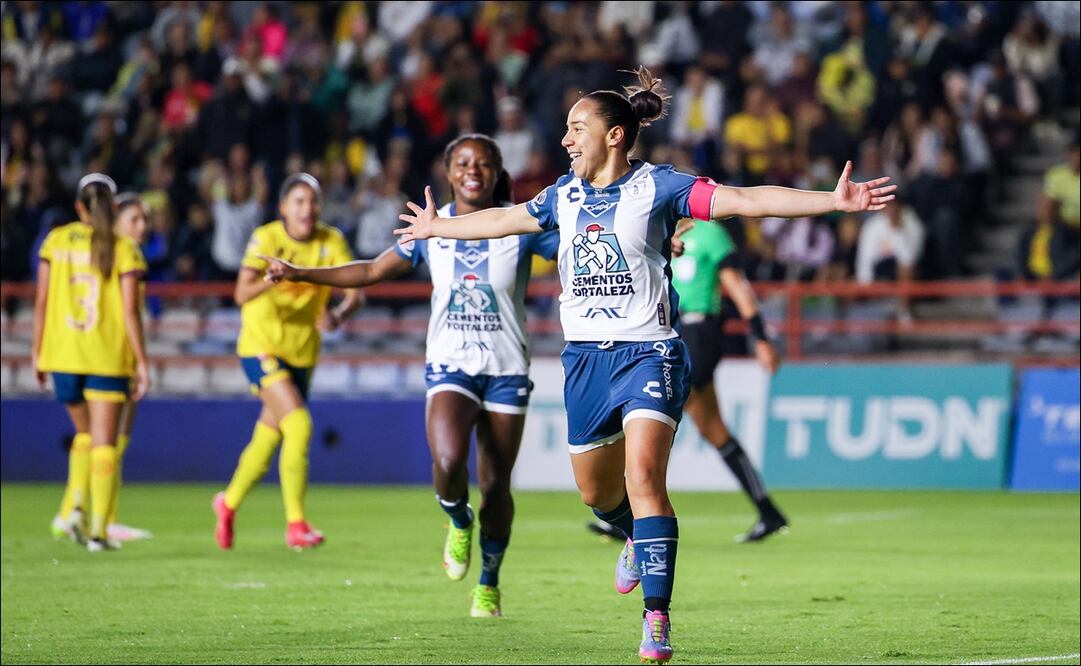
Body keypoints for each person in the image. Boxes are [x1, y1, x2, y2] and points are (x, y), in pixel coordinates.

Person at [392, 66, 894, 663]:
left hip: (649, 352)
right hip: (583, 363)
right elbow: (504, 218)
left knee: (644, 479)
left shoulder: (660, 187)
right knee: (596, 494)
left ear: (614, 134)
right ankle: (632, 534)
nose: (566, 139)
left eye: (577, 128)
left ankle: (656, 622)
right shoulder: (563, 196)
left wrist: (831, 202)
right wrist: (437, 227)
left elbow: (745, 200)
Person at [262, 135, 559, 618]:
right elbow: (373, 269)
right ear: (448, 172)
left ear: (496, 171)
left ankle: (488, 583)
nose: (473, 170)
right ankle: (458, 520)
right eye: (462, 162)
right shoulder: (429, 227)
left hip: (506, 369)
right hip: (450, 363)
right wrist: (301, 274)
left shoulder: (521, 224)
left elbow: (580, 247)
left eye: (483, 163)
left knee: (497, 484)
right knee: (446, 459)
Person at [587, 218, 787, 544]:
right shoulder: (658, 232)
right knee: (714, 429)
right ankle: (768, 512)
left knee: (652, 414)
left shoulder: (711, 235)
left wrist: (761, 338)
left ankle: (627, 514)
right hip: (673, 332)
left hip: (700, 332)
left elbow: (736, 285)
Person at [211, 173, 362, 551]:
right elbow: (241, 293)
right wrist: (272, 278)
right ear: (283, 208)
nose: (307, 209)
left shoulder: (331, 241)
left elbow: (355, 289)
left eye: (312, 201)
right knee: (298, 423)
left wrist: (338, 315)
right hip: (261, 346)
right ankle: (296, 525)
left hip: (302, 352)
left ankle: (227, 504)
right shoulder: (267, 238)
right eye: (298, 201)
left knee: (268, 437)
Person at [33, 173, 151, 552]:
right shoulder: (124, 249)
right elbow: (130, 311)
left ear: (79, 207)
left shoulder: (56, 241)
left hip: (63, 354)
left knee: (84, 437)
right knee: (104, 443)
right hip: (105, 356)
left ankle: (73, 512)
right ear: (114, 208)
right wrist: (143, 362)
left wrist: (38, 352)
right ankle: (99, 531)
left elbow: (42, 302)